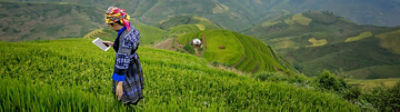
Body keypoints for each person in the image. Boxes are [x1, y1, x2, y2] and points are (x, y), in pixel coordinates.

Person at [103, 6, 144, 105]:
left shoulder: (124, 37)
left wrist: (119, 84)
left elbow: (122, 62)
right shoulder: (130, 27)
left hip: (127, 67)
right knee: (135, 84)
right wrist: (114, 44)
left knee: (124, 90)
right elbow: (130, 46)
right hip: (134, 61)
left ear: (115, 23)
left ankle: (125, 104)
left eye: (110, 25)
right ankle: (134, 101)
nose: (110, 27)